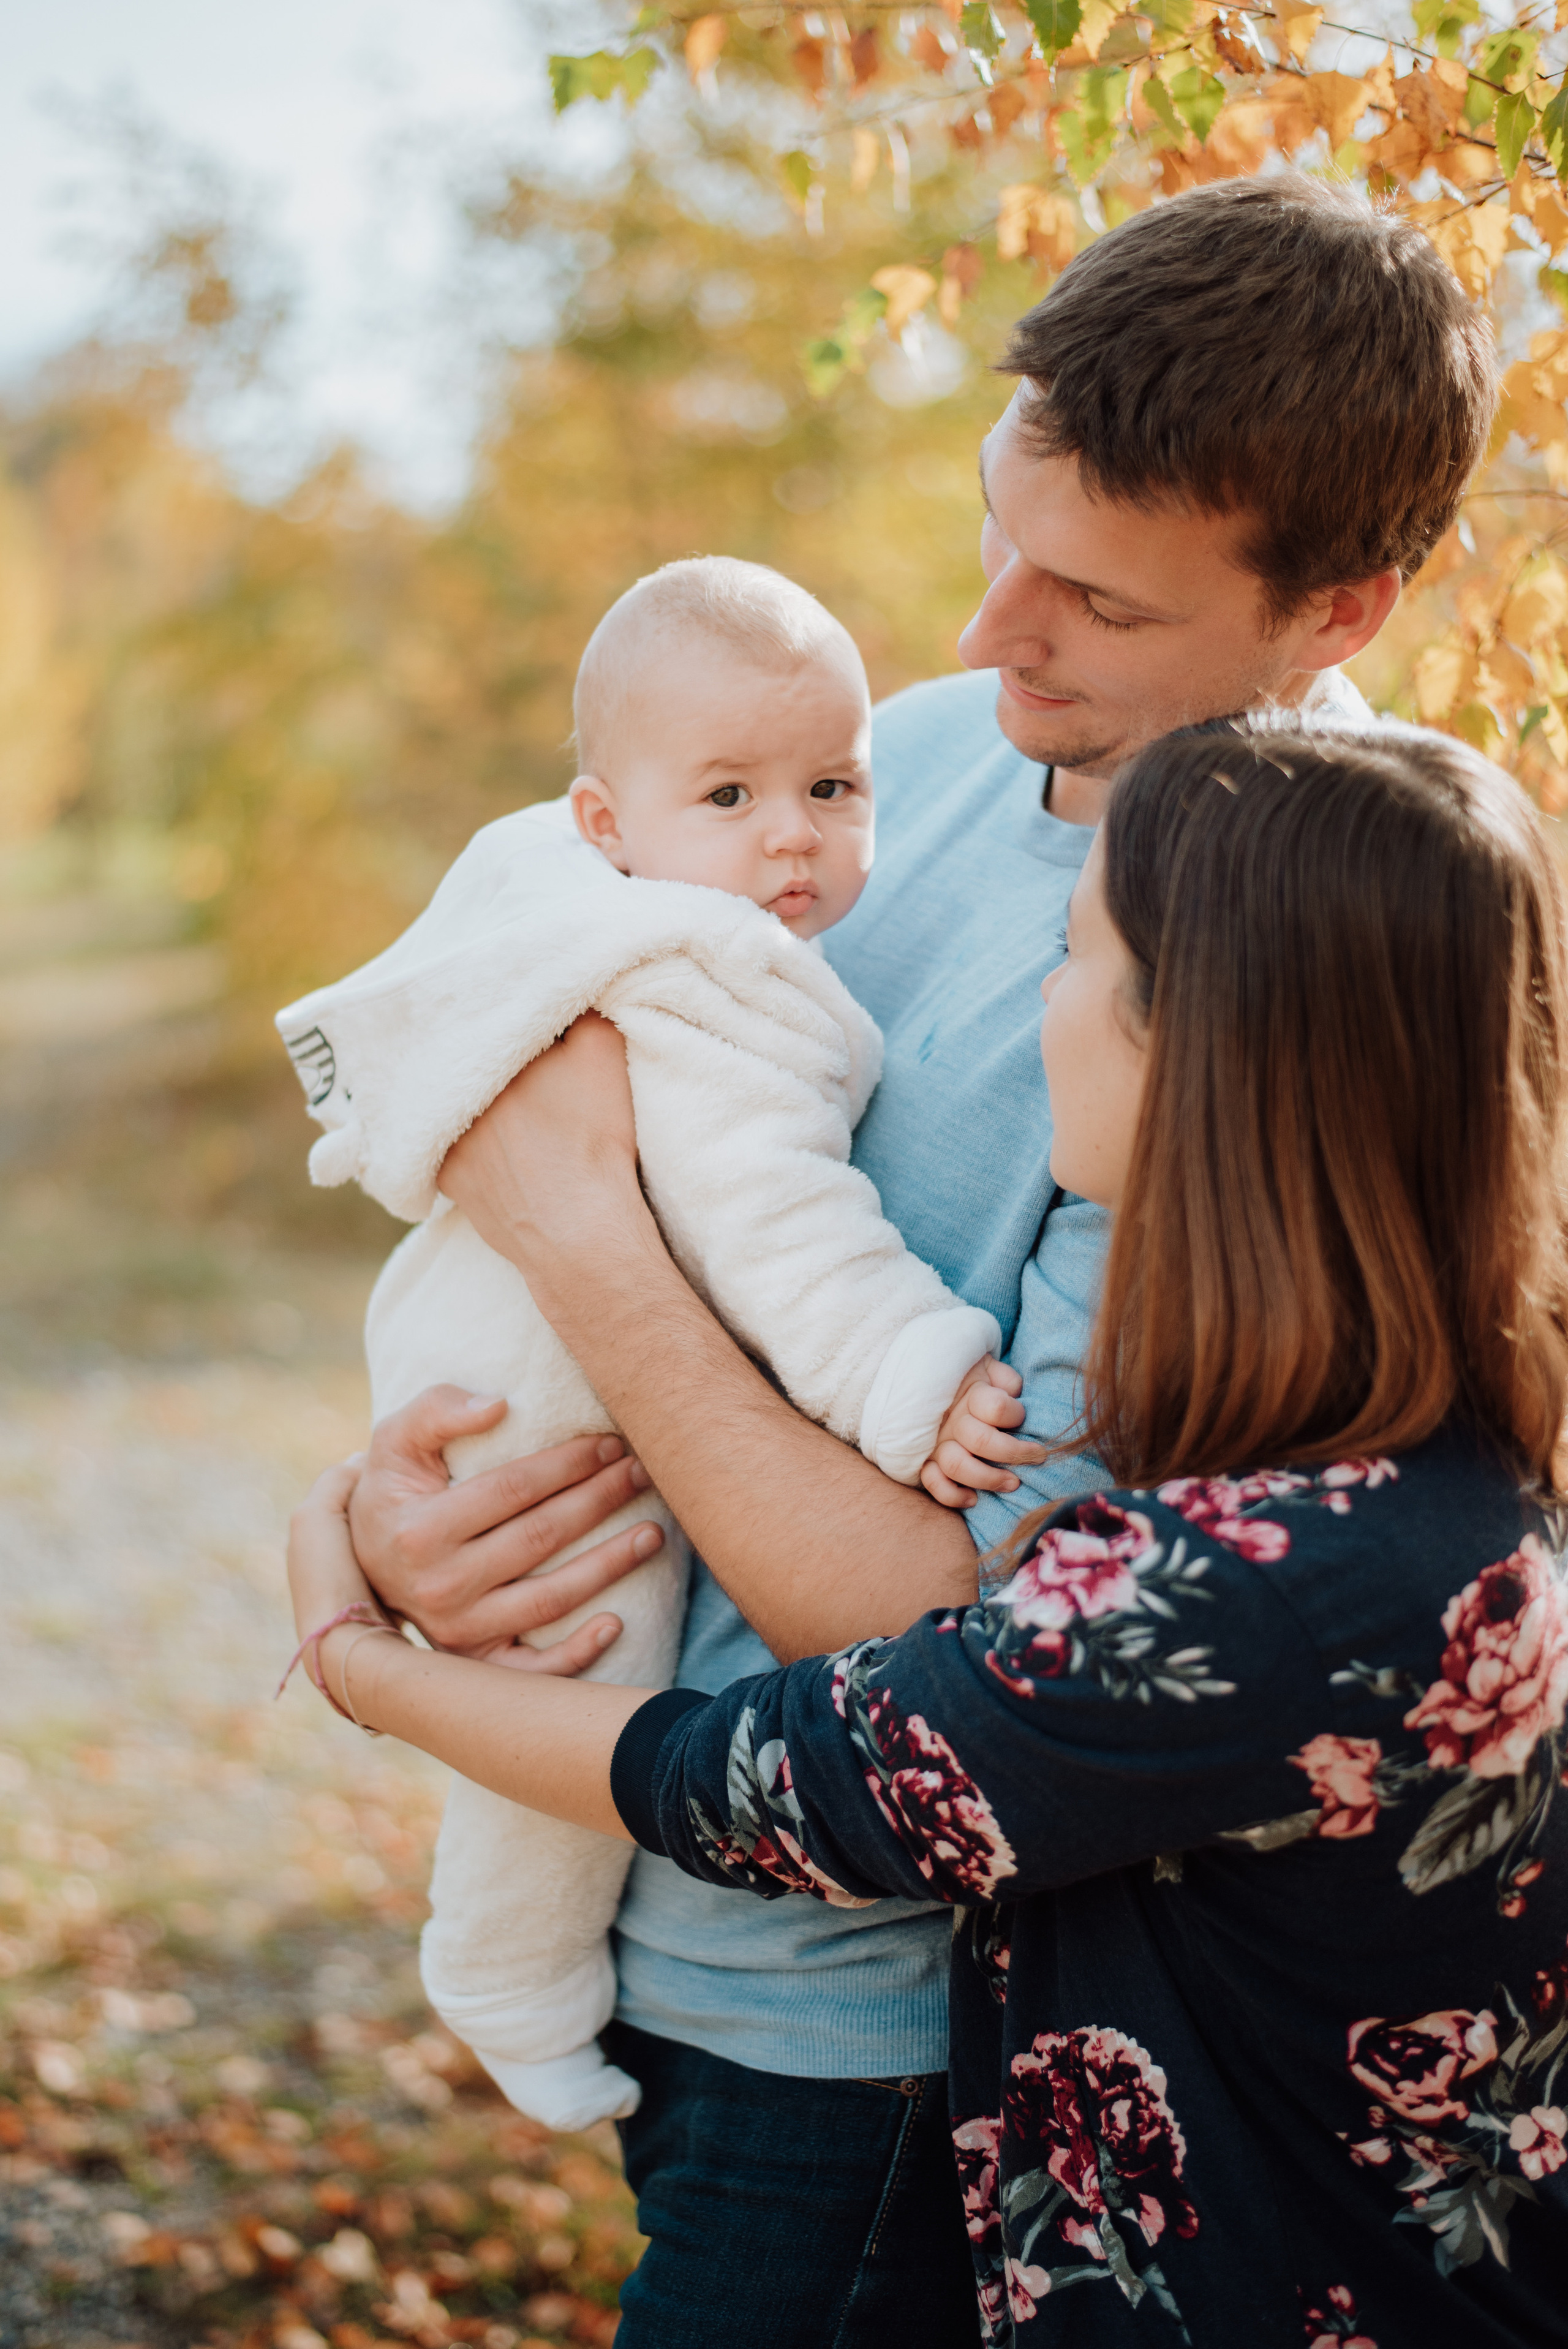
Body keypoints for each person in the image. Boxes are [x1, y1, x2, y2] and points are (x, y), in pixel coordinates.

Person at [335, 176, 1499, 2343]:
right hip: (646, 1897)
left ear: (1337, 607)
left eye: (1092, 603)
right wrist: (376, 1519)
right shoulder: (876, 776)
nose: (984, 635)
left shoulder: (1269, 991)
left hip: (869, 2018)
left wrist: (582, 1239)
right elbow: (529, 1094)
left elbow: (970, 1628)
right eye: (999, 529)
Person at [290, 720, 1568, 2346]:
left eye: (1081, 955)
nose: (1039, 995)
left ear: (1210, 1055)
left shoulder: (1267, 1579)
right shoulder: (1420, 1461)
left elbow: (769, 1775)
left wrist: (348, 1654)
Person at [275, 554, 1017, 2135]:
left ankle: (507, 1965)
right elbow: (781, 1230)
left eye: (830, 786)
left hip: (472, 1317)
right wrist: (917, 1380)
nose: (792, 838)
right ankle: (506, 1969)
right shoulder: (710, 972)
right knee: (577, 1649)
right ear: (609, 824)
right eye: (733, 796)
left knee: (541, 1658)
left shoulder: (575, 898)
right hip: (543, 1381)